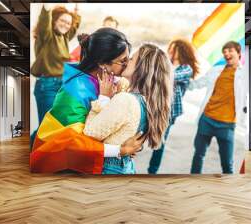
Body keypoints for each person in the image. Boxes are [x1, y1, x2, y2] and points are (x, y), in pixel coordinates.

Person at [30, 28, 144, 174]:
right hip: (63, 166)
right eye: (123, 61)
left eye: (128, 59)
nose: (127, 64)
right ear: (102, 63)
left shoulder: (110, 80)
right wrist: (120, 150)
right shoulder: (74, 90)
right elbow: (71, 143)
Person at [83, 44, 173, 174]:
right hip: (125, 167)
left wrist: (103, 98)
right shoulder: (149, 101)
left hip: (107, 169)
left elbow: (89, 134)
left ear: (141, 67)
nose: (126, 62)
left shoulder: (126, 100)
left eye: (131, 59)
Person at [189, 41, 248, 174]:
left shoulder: (245, 74)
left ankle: (227, 188)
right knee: (198, 155)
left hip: (227, 125)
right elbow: (198, 84)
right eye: (224, 52)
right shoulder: (216, 70)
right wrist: (181, 82)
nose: (226, 53)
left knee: (227, 164)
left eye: (230, 50)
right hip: (207, 119)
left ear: (239, 53)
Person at [147, 38, 199, 174]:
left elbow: (169, 76)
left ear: (180, 51)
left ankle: (152, 171)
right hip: (156, 106)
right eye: (169, 47)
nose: (170, 50)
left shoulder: (186, 69)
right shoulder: (167, 64)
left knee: (160, 142)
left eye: (173, 48)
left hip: (170, 111)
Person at [31, 4, 81, 124]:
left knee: (56, 126)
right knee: (46, 127)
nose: (66, 24)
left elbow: (74, 27)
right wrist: (47, 7)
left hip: (62, 83)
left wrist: (77, 10)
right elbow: (44, 22)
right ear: (54, 20)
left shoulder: (63, 37)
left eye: (68, 23)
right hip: (47, 85)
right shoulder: (47, 36)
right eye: (62, 20)